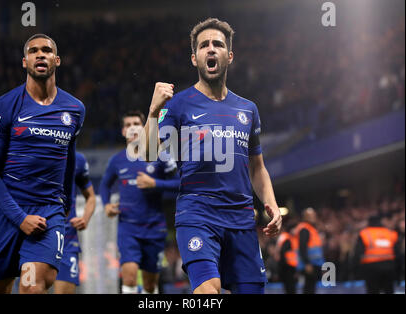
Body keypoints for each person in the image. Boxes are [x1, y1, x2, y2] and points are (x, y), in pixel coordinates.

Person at [142, 18, 282, 294]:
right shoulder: (178, 104)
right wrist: (153, 112)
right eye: (203, 45)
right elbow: (147, 152)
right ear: (194, 58)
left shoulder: (248, 109)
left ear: (229, 56)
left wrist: (272, 204)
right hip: (197, 215)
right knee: (208, 290)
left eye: (217, 44)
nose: (210, 49)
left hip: (241, 220)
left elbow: (257, 167)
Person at [0, 34, 85, 294]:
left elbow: (69, 159)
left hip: (48, 212)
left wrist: (65, 205)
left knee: (31, 287)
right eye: (33, 51)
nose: (40, 54)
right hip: (5, 210)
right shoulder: (3, 107)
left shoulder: (75, 109)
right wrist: (20, 217)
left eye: (46, 50)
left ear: (56, 60)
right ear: (25, 62)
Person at [99, 110, 179, 294]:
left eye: (136, 123)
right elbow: (104, 186)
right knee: (129, 277)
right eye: (128, 125)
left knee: (150, 285)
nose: (132, 127)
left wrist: (155, 183)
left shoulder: (160, 155)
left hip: (154, 229)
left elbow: (180, 183)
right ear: (122, 131)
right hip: (128, 229)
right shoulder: (116, 160)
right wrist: (106, 204)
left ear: (144, 129)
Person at [53, 152, 96, 294]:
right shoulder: (37, 152)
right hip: (39, 234)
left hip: (67, 240)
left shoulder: (78, 159)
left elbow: (90, 197)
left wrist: (85, 218)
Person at [353, 215, 400, 294]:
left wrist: (356, 269)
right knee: (389, 290)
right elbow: (398, 254)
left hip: (371, 268)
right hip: (389, 267)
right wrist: (398, 273)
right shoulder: (391, 233)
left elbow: (358, 253)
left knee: (372, 291)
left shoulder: (365, 233)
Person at [293, 207, 324, 294]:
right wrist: (307, 264)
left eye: (314, 215)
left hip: (314, 263)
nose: (314, 217)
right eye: (311, 215)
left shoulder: (310, 229)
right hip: (309, 264)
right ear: (305, 217)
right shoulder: (304, 229)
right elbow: (302, 247)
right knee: (309, 288)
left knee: (311, 287)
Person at [275, 221, 298, 294]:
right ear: (291, 229)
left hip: (284, 267)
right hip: (288, 268)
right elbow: (284, 254)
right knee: (290, 289)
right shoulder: (287, 239)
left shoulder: (283, 237)